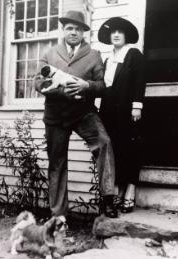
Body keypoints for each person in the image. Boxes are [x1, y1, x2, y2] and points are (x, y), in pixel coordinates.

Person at [35, 10, 118, 218]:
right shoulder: (50, 53)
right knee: (57, 163)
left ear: (84, 33)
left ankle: (108, 200)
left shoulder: (94, 55)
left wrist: (86, 85)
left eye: (78, 29)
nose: (73, 32)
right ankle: (58, 215)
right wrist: (59, 88)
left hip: (83, 113)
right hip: (55, 115)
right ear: (63, 30)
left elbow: (102, 86)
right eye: (69, 28)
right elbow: (37, 82)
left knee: (104, 143)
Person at [97, 17, 146, 213]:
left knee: (130, 149)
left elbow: (139, 80)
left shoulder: (133, 54)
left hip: (128, 110)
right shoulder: (108, 59)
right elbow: (105, 87)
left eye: (120, 32)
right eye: (113, 32)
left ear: (126, 36)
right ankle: (116, 190)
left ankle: (130, 192)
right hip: (110, 112)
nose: (116, 35)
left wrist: (137, 106)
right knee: (113, 150)